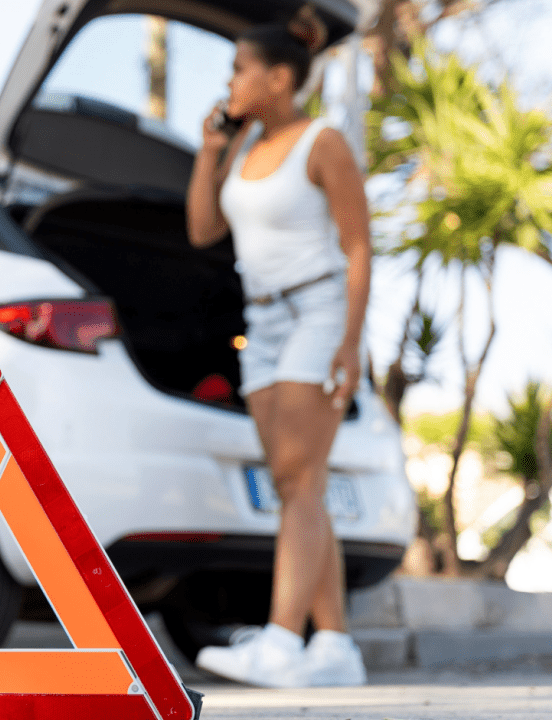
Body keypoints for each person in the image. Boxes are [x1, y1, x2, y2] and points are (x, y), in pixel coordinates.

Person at [184, 11, 372, 689]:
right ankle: (336, 647)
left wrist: (350, 342)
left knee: (296, 478)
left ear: (279, 78)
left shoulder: (323, 142)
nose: (230, 81)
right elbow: (203, 229)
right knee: (300, 482)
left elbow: (358, 246)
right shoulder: (243, 146)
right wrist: (209, 150)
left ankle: (283, 640)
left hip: (316, 313)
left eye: (240, 69)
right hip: (260, 324)